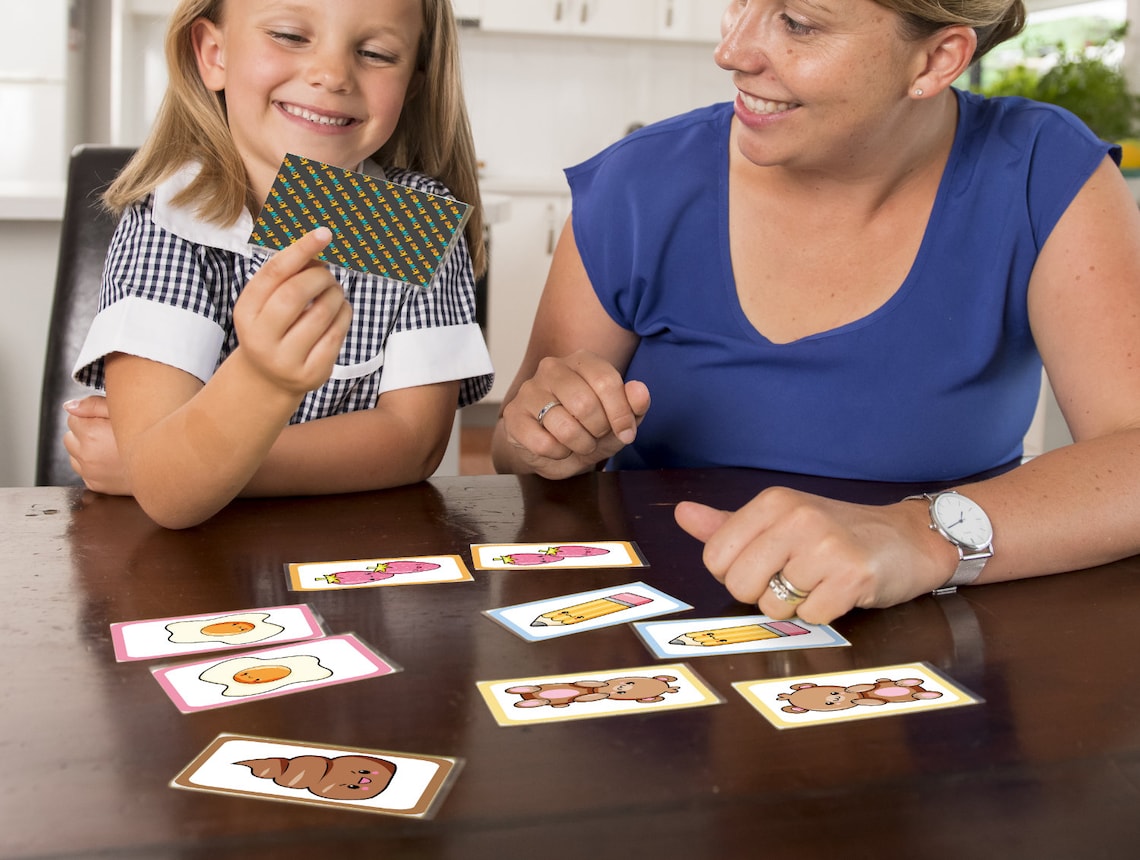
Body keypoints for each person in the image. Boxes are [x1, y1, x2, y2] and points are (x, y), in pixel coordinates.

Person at [492, 0, 1140, 624]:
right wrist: (544, 434)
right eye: (741, 1)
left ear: (936, 60)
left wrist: (920, 537)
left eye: (798, 23)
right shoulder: (635, 183)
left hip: (944, 639)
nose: (731, 51)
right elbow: (516, 449)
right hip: (664, 634)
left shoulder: (1042, 171)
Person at [64, 0, 493, 529]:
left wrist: (175, 466)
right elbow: (171, 496)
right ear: (214, 53)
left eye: (376, 52)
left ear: (414, 84)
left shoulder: (406, 220)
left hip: (358, 562)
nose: (333, 75)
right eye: (290, 35)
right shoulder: (167, 221)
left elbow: (413, 444)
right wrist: (262, 379)